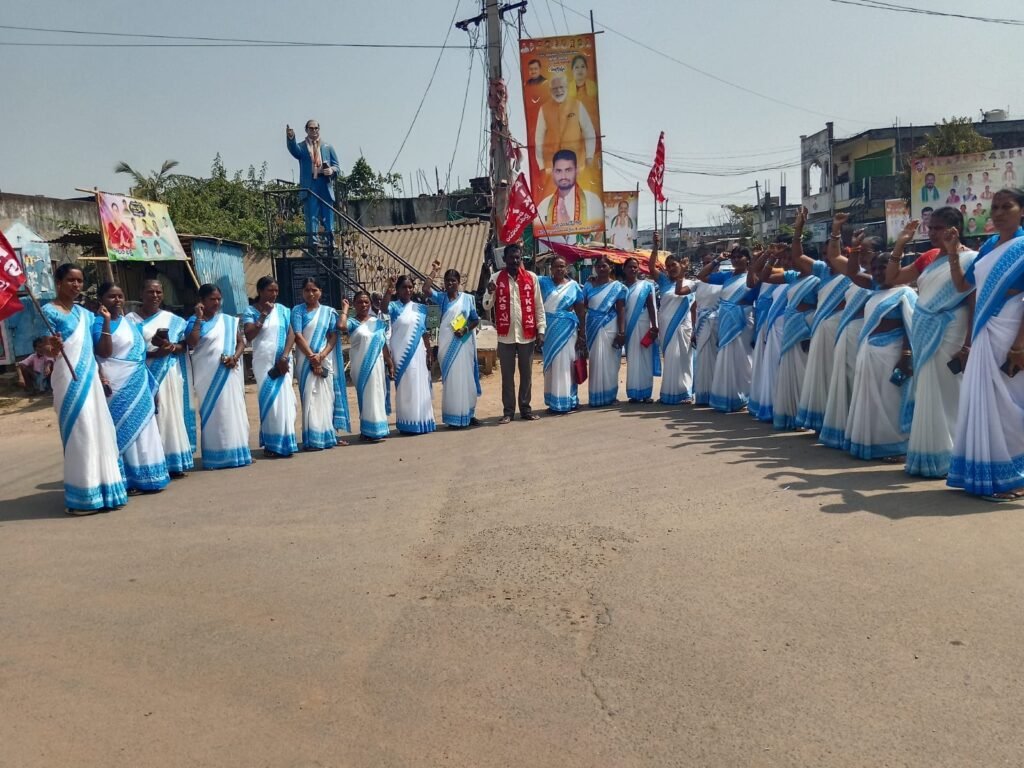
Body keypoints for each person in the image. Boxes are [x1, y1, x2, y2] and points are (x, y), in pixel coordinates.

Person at [884, 209, 977, 477]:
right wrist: (900, 243)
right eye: (931, 227)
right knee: (929, 390)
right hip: (925, 333)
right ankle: (932, 455)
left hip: (951, 331)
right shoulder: (928, 258)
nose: (932, 232)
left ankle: (955, 455)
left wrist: (968, 344)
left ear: (955, 229)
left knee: (950, 393)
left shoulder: (971, 259)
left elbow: (972, 302)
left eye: (938, 228)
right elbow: (893, 278)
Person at [946, 187, 1024, 500]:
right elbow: (965, 286)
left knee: (1009, 404)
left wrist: (1019, 345)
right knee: (984, 400)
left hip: (1011, 329)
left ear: (1021, 211)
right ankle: (987, 473)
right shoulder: (990, 245)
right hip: (984, 332)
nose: (1000, 212)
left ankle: (1013, 476)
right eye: (996, 207)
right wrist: (953, 250)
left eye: (1008, 206)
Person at [40, 265, 128, 515]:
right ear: (58, 282)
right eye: (71, 280)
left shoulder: (86, 314)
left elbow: (98, 349)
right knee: (80, 433)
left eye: (80, 281)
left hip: (90, 379)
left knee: (100, 430)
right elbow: (45, 349)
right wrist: (53, 347)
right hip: (68, 380)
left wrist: (107, 322)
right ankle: (83, 498)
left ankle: (107, 491)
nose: (76, 285)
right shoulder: (48, 311)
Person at [93, 281, 170, 494]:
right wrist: (107, 321)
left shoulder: (131, 324)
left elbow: (141, 354)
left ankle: (149, 475)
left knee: (145, 427)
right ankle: (128, 479)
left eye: (120, 296)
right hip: (116, 384)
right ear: (102, 300)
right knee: (124, 429)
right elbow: (105, 353)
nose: (117, 300)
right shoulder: (97, 323)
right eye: (111, 296)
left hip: (138, 380)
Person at [843, 253, 917, 462]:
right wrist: (854, 249)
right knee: (873, 403)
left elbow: (910, 327)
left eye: (882, 267)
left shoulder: (905, 293)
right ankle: (875, 444)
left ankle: (899, 447)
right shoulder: (873, 292)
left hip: (892, 354)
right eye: (874, 268)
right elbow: (852, 273)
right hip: (870, 354)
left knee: (891, 402)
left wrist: (906, 357)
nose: (877, 273)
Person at [765, 217, 831, 430]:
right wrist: (770, 257)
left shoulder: (818, 278)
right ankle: (793, 416)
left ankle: (808, 416)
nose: (789, 260)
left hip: (806, 328)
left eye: (790, 258)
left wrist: (798, 230)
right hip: (790, 327)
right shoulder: (793, 277)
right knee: (790, 371)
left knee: (805, 373)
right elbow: (762, 275)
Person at [126, 279, 196, 477]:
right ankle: (153, 461)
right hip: (143, 373)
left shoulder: (173, 320)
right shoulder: (130, 320)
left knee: (168, 413)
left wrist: (171, 348)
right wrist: (154, 354)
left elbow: (185, 346)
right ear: (141, 294)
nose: (155, 296)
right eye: (150, 292)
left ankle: (173, 460)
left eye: (158, 292)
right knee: (149, 417)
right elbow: (128, 350)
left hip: (168, 374)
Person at [819, 228, 879, 450]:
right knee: (846, 381)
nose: (863, 256)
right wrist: (837, 232)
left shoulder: (883, 277)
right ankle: (849, 429)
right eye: (859, 252)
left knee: (861, 383)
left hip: (869, 337)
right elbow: (835, 257)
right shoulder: (856, 275)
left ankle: (869, 432)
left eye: (867, 251)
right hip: (847, 335)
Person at [795, 213, 852, 433]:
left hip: (841, 330)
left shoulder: (853, 273)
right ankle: (825, 422)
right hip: (821, 330)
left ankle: (842, 421)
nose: (826, 257)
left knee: (841, 376)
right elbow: (798, 256)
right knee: (822, 375)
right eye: (824, 254)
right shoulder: (822, 271)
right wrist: (799, 229)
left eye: (829, 253)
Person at [185, 283, 252, 470]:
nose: (216, 302)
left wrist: (235, 357)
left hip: (229, 372)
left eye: (218, 299)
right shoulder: (193, 321)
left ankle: (238, 452)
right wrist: (198, 319)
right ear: (202, 301)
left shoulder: (228, 320)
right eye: (211, 299)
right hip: (207, 376)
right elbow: (192, 343)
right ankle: (217, 456)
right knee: (214, 414)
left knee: (233, 411)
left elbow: (241, 342)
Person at [482, 244, 546, 422]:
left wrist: (541, 330)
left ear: (521, 258)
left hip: (527, 333)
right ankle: (508, 412)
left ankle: (525, 409)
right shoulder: (495, 278)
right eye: (511, 258)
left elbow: (538, 306)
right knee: (507, 376)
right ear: (505, 259)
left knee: (526, 374)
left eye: (518, 257)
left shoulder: (531, 278)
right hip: (505, 335)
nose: (515, 261)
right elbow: (486, 306)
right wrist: (489, 293)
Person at [291, 277, 349, 450]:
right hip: (305, 360)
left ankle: (328, 435)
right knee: (310, 398)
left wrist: (321, 356)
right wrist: (312, 356)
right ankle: (313, 439)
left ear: (320, 292)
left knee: (326, 397)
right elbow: (298, 335)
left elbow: (333, 335)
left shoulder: (328, 312)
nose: (311, 293)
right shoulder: (297, 311)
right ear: (302, 292)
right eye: (307, 290)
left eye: (314, 290)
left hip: (324, 360)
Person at [244, 276, 298, 458]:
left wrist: (285, 356)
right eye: (270, 290)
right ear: (260, 291)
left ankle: (286, 442)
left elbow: (291, 333)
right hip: (263, 363)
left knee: (286, 402)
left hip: (283, 362)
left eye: (276, 290)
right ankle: (272, 444)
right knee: (270, 403)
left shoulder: (283, 310)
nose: (274, 294)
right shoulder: (250, 311)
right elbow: (250, 335)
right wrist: (264, 314)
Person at [423, 263, 482, 428]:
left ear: (458, 282)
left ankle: (469, 414)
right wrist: (434, 271)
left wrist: (465, 329)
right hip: (447, 343)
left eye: (453, 281)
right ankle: (453, 417)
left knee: (466, 378)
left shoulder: (467, 299)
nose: (450, 284)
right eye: (447, 281)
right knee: (451, 380)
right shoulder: (441, 298)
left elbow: (475, 320)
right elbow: (426, 289)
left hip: (463, 343)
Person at [340, 290, 393, 442]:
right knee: (365, 396)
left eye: (366, 302)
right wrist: (344, 309)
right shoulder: (352, 322)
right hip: (360, 366)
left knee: (377, 395)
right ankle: (367, 430)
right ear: (354, 305)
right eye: (359, 302)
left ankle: (378, 429)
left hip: (376, 365)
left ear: (370, 304)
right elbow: (341, 325)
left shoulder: (377, 322)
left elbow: (383, 343)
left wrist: (389, 362)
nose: (363, 305)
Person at [385, 275, 436, 434]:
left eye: (410, 287)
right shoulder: (393, 306)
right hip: (400, 353)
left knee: (419, 384)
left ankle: (422, 421)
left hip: (418, 351)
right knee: (405, 387)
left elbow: (424, 332)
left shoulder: (420, 308)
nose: (407, 290)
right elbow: (383, 309)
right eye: (403, 287)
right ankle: (407, 422)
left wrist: (429, 351)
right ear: (398, 290)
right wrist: (389, 289)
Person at [648, 246, 696, 405]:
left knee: (683, 358)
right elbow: (651, 267)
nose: (670, 269)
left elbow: (694, 308)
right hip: (666, 325)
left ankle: (686, 393)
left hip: (683, 326)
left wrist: (694, 329)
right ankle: (668, 393)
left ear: (681, 265)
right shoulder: (663, 281)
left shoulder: (691, 284)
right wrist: (655, 248)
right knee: (670, 359)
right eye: (668, 267)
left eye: (673, 265)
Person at [538, 255, 586, 413]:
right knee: (552, 365)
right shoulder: (543, 282)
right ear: (550, 269)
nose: (559, 269)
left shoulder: (574, 287)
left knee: (566, 365)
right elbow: (526, 276)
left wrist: (582, 334)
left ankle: (568, 401)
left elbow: (580, 311)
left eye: (562, 266)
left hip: (567, 330)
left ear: (567, 268)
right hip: (549, 329)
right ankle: (554, 402)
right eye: (556, 266)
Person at [286, 120, 341, 247]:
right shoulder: (302, 146)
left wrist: (331, 170)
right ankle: (313, 241)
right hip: (310, 183)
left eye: (316, 128)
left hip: (324, 182)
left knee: (328, 211)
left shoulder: (327, 146)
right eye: (311, 128)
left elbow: (337, 166)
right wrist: (290, 138)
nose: (314, 131)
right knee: (312, 212)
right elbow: (294, 150)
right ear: (306, 130)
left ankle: (330, 240)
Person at [582, 254, 626, 407]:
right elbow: (583, 306)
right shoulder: (588, 286)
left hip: (610, 325)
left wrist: (622, 332)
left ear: (611, 268)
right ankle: (596, 397)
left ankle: (610, 396)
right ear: (595, 268)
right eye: (598, 266)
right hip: (593, 327)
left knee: (611, 362)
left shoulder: (617, 287)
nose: (601, 268)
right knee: (595, 362)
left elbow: (621, 311)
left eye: (604, 266)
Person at [534, 75, 597, 175]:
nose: (558, 91)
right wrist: (541, 163)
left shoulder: (577, 105)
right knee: (553, 191)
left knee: (578, 190)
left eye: (561, 87)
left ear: (566, 88)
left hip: (576, 163)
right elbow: (539, 137)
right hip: (552, 165)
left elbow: (588, 131)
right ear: (550, 91)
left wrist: (589, 156)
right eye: (555, 88)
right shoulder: (544, 109)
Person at [535, 149, 604, 233]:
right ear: (553, 173)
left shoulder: (593, 200)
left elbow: (598, 235)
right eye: (559, 171)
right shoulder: (543, 206)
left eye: (568, 170)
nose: (563, 176)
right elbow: (540, 237)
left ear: (576, 171)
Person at [621, 257, 660, 403]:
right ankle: (634, 393)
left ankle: (646, 393)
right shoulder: (620, 287)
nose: (633, 269)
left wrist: (654, 326)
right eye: (630, 267)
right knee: (632, 358)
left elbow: (651, 306)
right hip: (628, 327)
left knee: (644, 358)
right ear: (624, 269)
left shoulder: (645, 285)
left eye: (635, 267)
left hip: (643, 323)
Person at [691, 252, 723, 406]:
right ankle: (703, 394)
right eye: (705, 262)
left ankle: (717, 394)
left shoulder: (725, 281)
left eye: (711, 262)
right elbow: (694, 307)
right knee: (703, 359)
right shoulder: (699, 283)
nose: (708, 265)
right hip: (702, 325)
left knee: (718, 360)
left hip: (719, 323)